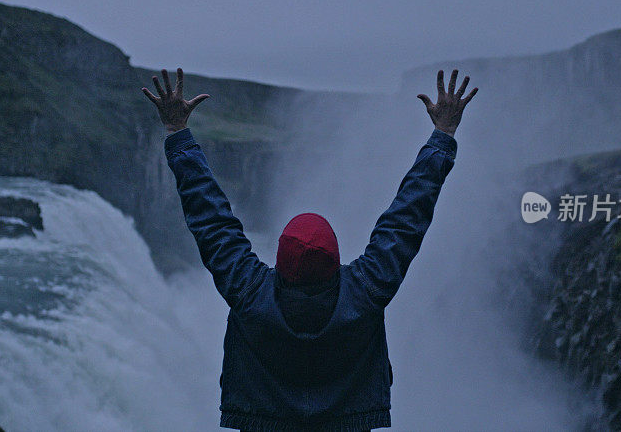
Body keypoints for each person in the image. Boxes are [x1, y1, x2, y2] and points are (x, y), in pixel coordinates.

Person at [142, 68, 477, 431]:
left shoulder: (248, 290)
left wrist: (178, 133)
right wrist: (442, 135)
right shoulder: (366, 290)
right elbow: (406, 219)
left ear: (280, 258)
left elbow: (211, 220)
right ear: (335, 260)